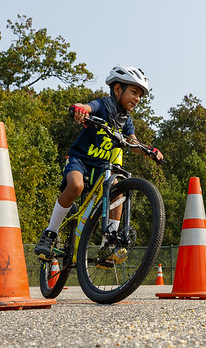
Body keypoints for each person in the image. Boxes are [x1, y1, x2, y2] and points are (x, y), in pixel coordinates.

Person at [34, 65, 163, 262]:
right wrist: (79, 110)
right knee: (76, 186)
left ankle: (109, 244)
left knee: (117, 192)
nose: (137, 99)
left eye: (140, 96)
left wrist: (148, 150)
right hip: (80, 160)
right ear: (118, 89)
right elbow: (87, 107)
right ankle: (50, 234)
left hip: (102, 168)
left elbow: (133, 142)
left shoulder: (126, 120)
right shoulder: (103, 105)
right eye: (134, 92)